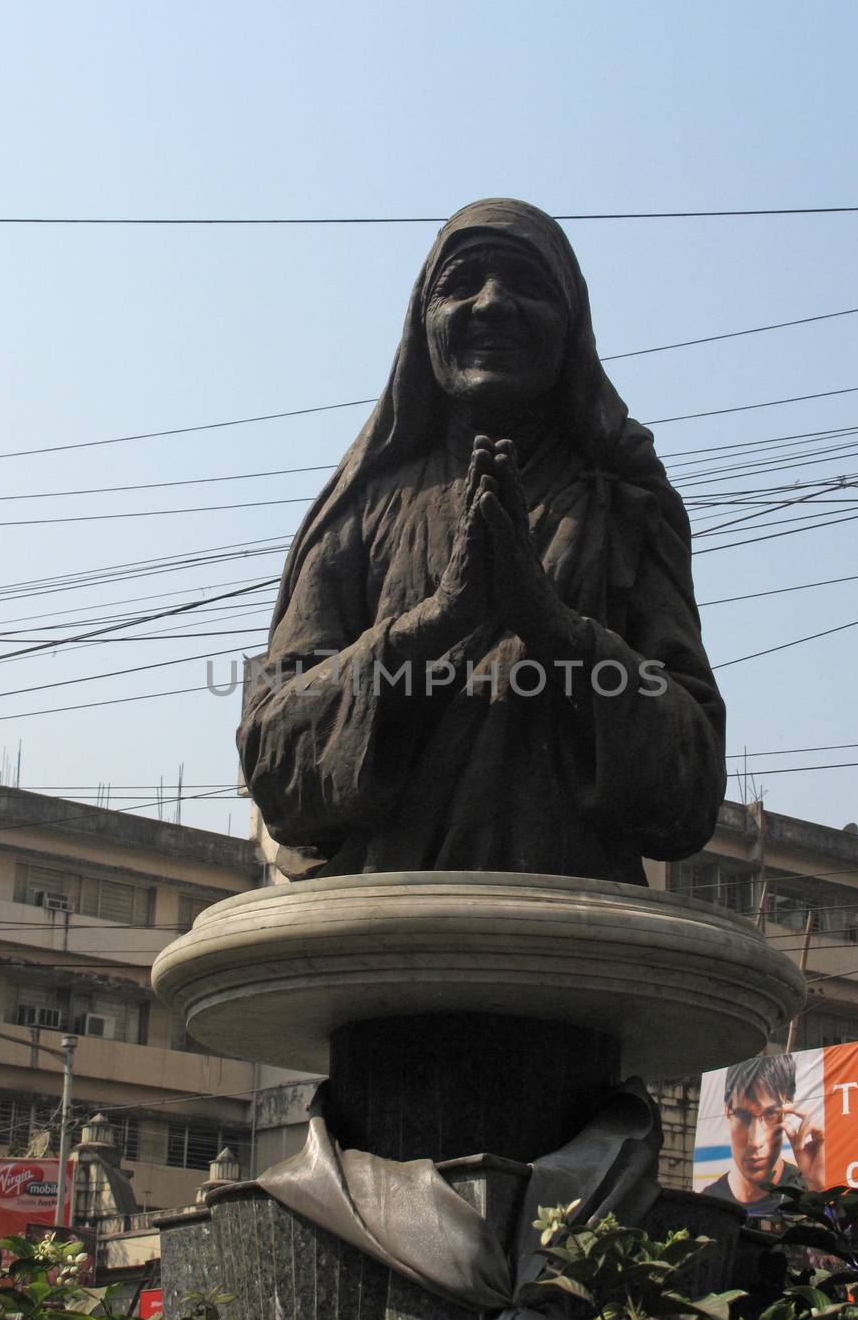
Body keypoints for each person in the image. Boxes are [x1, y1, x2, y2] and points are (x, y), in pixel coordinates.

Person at [238, 198, 726, 880]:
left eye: (528, 284)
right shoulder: (361, 509)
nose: (493, 304)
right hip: (386, 926)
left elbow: (692, 784)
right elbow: (271, 755)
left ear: (572, 327)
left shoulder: (625, 508)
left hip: (571, 925)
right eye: (461, 282)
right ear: (421, 323)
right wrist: (433, 623)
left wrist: (559, 631)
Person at [701, 1054, 825, 1215]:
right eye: (742, 1116)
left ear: (788, 1112)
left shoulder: (805, 1190)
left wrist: (817, 1186)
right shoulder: (708, 1203)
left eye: (770, 1114)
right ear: (727, 1113)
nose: (755, 1141)